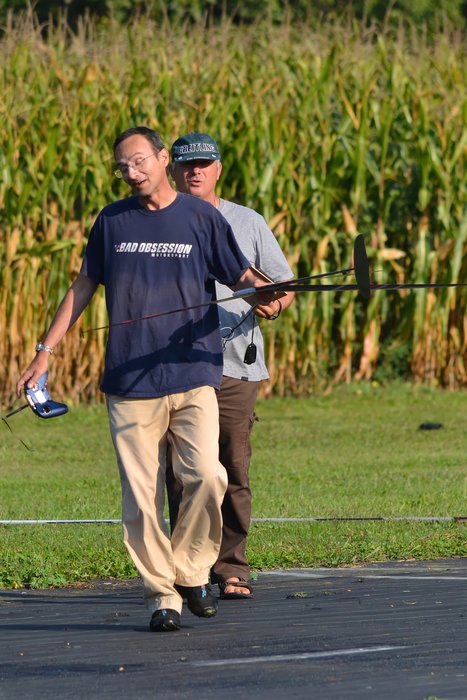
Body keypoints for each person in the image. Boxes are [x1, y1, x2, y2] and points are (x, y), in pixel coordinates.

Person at [16, 127, 280, 632]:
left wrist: (266, 294)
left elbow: (242, 275)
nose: (132, 173)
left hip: (194, 372)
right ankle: (163, 595)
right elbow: (84, 284)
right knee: (141, 499)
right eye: (123, 167)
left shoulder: (201, 217)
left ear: (162, 159)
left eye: (139, 162)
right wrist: (45, 351)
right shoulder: (112, 220)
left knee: (209, 476)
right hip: (130, 380)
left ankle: (191, 570)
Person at [169, 132, 295, 599]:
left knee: (233, 467)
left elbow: (282, 284)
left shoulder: (247, 221)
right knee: (182, 472)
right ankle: (186, 569)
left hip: (235, 365)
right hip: (178, 368)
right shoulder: (159, 222)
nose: (195, 171)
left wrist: (274, 304)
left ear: (218, 169)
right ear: (171, 170)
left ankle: (231, 567)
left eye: (204, 163)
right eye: (186, 165)